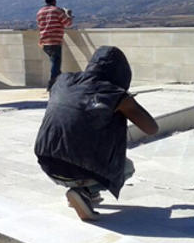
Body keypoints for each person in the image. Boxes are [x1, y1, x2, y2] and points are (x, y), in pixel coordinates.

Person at [34, 46, 159, 221]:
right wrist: (126, 101)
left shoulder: (62, 81)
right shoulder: (114, 94)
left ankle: (85, 197)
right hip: (76, 169)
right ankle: (84, 191)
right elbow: (151, 129)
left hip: (48, 164)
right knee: (126, 167)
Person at [36, 0, 73, 90]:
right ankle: (52, 84)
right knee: (56, 63)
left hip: (44, 42)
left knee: (55, 63)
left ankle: (60, 83)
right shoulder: (57, 11)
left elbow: (40, 25)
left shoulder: (40, 12)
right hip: (55, 41)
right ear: (55, 0)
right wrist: (68, 14)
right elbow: (68, 23)